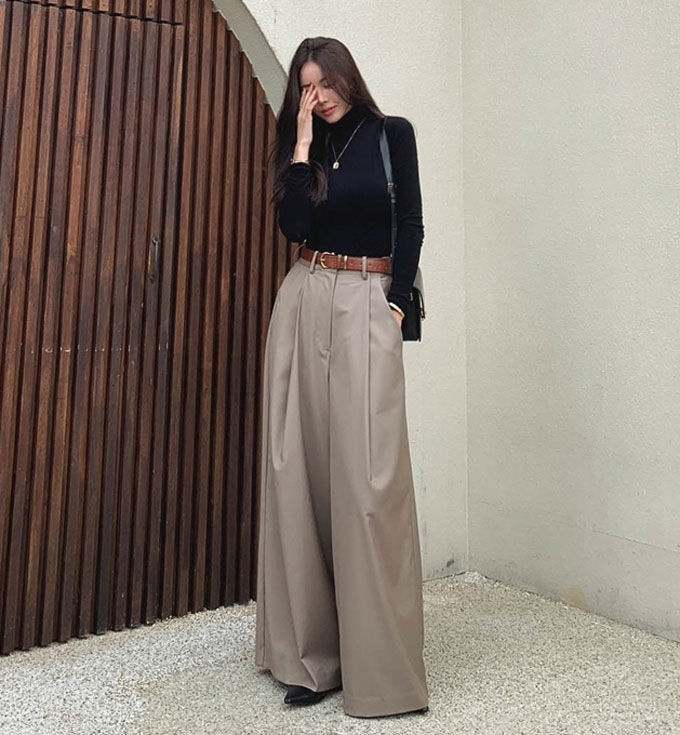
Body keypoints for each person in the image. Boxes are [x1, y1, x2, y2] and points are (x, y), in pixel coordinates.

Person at [254, 36, 429, 719]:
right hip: (304, 296)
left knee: (368, 482)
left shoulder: (391, 135)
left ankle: (381, 669)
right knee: (297, 473)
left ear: (347, 78)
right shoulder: (305, 146)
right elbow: (293, 226)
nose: (319, 96)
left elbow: (410, 221)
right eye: (306, 88)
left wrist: (396, 303)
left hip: (367, 299)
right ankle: (309, 659)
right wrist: (300, 144)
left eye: (325, 83)